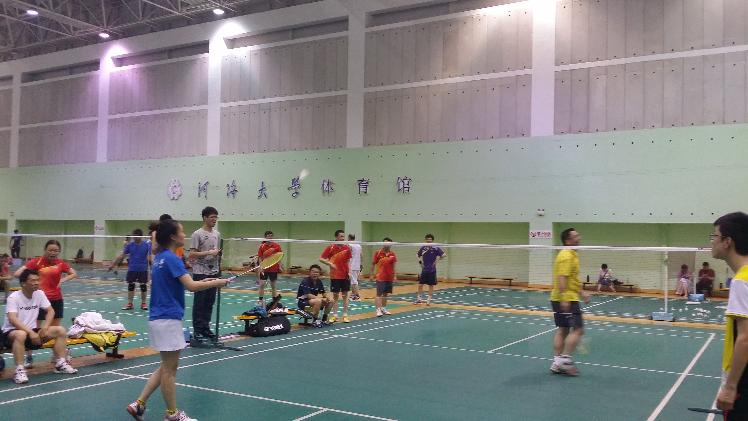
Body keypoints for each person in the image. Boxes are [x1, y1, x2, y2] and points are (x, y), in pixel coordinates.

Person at [126, 218, 229, 421]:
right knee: (170, 370)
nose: (184, 235)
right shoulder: (172, 258)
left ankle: (139, 404)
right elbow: (192, 286)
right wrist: (217, 282)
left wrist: (208, 280)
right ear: (173, 236)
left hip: (158, 318)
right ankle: (172, 415)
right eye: (181, 232)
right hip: (168, 319)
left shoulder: (160, 257)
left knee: (166, 366)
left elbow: (180, 282)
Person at [1, 269, 77, 384]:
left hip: (32, 331)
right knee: (21, 334)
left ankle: (60, 363)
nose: (36, 283)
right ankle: (19, 371)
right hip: (12, 332)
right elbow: (12, 319)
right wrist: (31, 333)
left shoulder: (39, 294)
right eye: (33, 280)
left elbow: (50, 311)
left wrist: (45, 328)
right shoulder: (13, 297)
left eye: (37, 280)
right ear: (23, 283)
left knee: (60, 330)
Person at [14, 239, 77, 368]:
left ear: (59, 251)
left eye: (56, 250)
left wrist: (62, 280)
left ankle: (57, 356)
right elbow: (17, 274)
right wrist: (31, 282)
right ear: (45, 250)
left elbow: (73, 273)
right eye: (50, 250)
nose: (53, 252)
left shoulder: (61, 263)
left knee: (54, 330)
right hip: (39, 301)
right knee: (33, 329)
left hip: (56, 300)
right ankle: (29, 357)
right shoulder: (36, 262)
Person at [711, 212, 748, 419]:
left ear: (727, 242)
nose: (711, 241)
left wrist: (730, 386)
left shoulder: (742, 280)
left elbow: (745, 338)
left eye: (714, 236)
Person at [549, 228, 590, 376]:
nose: (579, 238)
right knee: (578, 329)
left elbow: (571, 279)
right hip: (567, 298)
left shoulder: (571, 254)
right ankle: (565, 362)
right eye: (576, 236)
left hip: (561, 297)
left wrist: (581, 292)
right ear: (568, 240)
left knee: (563, 329)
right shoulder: (566, 255)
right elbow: (562, 278)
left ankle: (557, 362)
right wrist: (565, 298)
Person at [189, 207, 222, 341]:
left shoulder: (217, 234)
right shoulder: (197, 234)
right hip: (200, 272)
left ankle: (205, 328)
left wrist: (217, 255)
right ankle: (197, 330)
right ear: (204, 218)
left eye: (216, 217)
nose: (214, 219)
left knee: (209, 302)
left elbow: (216, 251)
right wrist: (209, 253)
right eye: (212, 217)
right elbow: (192, 254)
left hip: (213, 271)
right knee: (200, 303)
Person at [110, 229, 152, 310]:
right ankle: (130, 303)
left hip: (143, 269)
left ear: (140, 236)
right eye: (134, 236)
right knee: (131, 286)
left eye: (136, 236)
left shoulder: (147, 245)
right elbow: (122, 256)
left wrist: (153, 267)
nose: (134, 238)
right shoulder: (129, 245)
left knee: (143, 286)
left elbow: (150, 257)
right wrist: (113, 264)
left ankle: (143, 303)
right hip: (132, 269)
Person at [319, 229, 352, 323]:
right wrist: (330, 264)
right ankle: (335, 315)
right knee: (335, 296)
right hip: (335, 276)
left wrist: (349, 272)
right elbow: (321, 258)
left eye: (343, 236)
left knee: (345, 296)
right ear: (336, 237)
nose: (343, 238)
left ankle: (345, 315)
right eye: (341, 236)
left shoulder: (347, 248)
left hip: (345, 275)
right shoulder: (331, 247)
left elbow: (348, 261)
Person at [415, 234, 445, 305]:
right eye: (427, 239)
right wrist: (420, 262)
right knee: (420, 284)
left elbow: (444, 255)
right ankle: (419, 299)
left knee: (431, 285)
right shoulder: (423, 248)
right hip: (424, 269)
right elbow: (417, 255)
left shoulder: (436, 248)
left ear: (432, 240)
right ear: (425, 240)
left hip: (432, 270)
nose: (429, 240)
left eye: (430, 239)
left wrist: (437, 261)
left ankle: (429, 299)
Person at [370, 238, 397, 317]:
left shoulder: (392, 254)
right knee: (379, 294)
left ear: (391, 244)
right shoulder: (378, 253)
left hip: (389, 277)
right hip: (380, 276)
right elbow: (373, 264)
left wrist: (395, 275)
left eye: (388, 243)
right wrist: (371, 275)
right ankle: (378, 310)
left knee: (385, 294)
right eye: (385, 243)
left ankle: (383, 308)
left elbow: (393, 266)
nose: (386, 245)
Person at [257, 230, 283, 306]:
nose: (270, 237)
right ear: (265, 237)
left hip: (273, 268)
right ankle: (260, 300)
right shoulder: (262, 246)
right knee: (262, 284)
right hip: (264, 268)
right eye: (268, 236)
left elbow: (279, 257)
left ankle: (274, 301)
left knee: (273, 286)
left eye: (271, 236)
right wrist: (261, 266)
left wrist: (280, 265)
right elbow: (260, 257)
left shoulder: (277, 246)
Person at [348, 234, 363, 301]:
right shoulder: (358, 245)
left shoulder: (349, 245)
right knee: (354, 281)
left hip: (352, 266)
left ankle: (357, 296)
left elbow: (347, 255)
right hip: (357, 266)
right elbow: (361, 255)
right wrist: (361, 264)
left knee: (354, 282)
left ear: (349, 238)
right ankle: (353, 295)